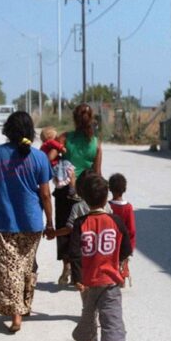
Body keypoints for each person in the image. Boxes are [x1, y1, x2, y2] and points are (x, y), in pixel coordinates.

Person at [0, 111, 54, 333]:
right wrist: (49, 221)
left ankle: (16, 314)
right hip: (32, 223)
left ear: (8, 130)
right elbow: (46, 195)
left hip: (4, 222)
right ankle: (23, 306)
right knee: (26, 265)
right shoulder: (39, 157)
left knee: (8, 267)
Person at [68, 174, 131, 341]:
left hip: (88, 281)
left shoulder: (80, 223)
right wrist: (117, 263)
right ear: (106, 199)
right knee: (111, 320)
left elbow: (74, 253)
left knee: (88, 316)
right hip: (110, 281)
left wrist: (77, 277)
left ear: (84, 198)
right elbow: (126, 249)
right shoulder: (115, 221)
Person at [54, 104, 103, 286]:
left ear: (74, 119)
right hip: (86, 191)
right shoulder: (96, 143)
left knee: (64, 228)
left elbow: (50, 157)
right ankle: (82, 270)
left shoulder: (64, 138)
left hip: (65, 190)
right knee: (83, 230)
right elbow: (97, 172)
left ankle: (66, 265)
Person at [108, 173, 136, 287]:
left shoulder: (108, 206)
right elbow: (132, 229)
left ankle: (114, 276)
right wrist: (131, 244)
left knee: (111, 260)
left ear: (109, 189)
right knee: (123, 257)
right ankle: (123, 274)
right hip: (125, 241)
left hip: (111, 239)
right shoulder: (128, 207)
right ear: (124, 189)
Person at [39, 127, 79, 201]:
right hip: (57, 164)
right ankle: (72, 190)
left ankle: (61, 185)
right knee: (71, 171)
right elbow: (55, 144)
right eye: (56, 136)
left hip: (52, 166)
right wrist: (62, 148)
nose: (57, 138)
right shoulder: (49, 142)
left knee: (60, 177)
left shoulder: (43, 146)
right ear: (50, 137)